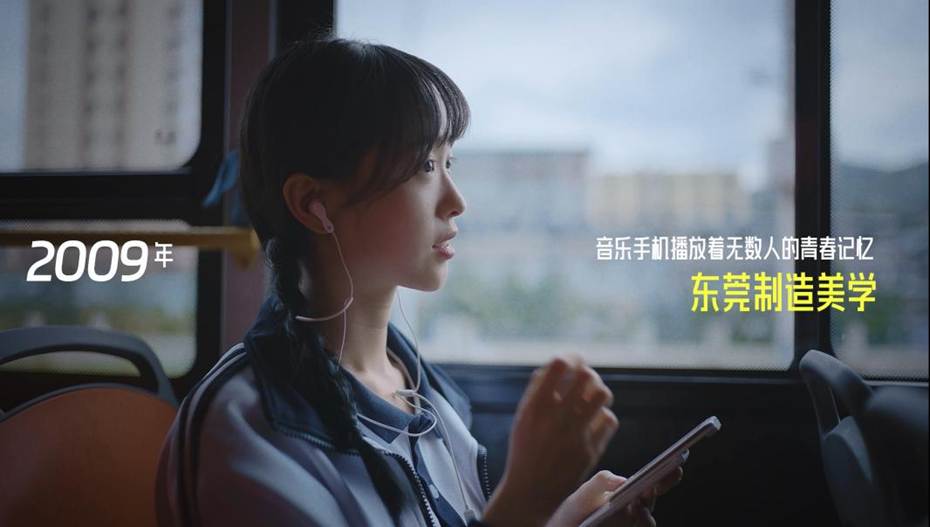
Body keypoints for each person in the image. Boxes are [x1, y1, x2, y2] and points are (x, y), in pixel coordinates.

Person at [155, 34, 682, 527]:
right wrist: (526, 498)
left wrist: (563, 517)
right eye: (425, 167)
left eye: (449, 162)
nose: (456, 200)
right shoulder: (246, 424)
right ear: (314, 203)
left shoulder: (423, 391)